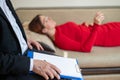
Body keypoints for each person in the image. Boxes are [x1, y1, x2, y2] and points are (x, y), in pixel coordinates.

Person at [0, 0, 61, 80]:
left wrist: (21, 38)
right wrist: (31, 64)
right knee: (58, 75)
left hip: (25, 51)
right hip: (13, 65)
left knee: (63, 65)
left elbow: (10, 27)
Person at [28, 12, 120, 52]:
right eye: (46, 20)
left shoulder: (58, 28)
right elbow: (85, 48)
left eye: (47, 17)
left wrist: (85, 25)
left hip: (107, 27)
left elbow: (77, 32)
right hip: (110, 36)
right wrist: (96, 25)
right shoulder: (60, 40)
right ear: (44, 30)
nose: (50, 18)